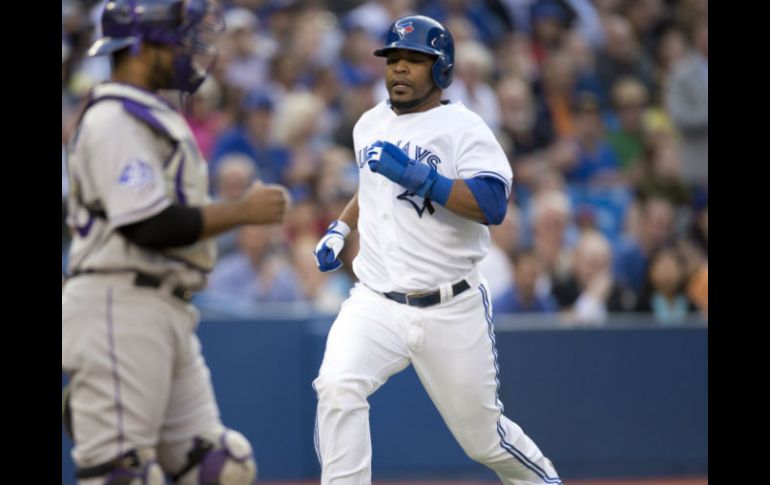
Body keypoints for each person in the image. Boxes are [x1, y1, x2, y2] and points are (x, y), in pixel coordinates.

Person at [311, 15, 562, 485]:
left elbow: (493, 204)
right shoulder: (369, 123)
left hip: (451, 304)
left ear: (441, 68)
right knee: (338, 386)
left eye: (414, 60)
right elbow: (369, 187)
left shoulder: (464, 127)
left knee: (483, 439)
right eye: (393, 59)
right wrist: (340, 229)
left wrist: (422, 178)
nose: (399, 69)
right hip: (376, 301)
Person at [61, 1, 289, 483]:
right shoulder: (114, 118)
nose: (191, 51)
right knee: (122, 473)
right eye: (178, 40)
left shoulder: (147, 113)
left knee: (218, 466)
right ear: (141, 47)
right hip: (118, 301)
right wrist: (241, 212)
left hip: (162, 303)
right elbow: (147, 225)